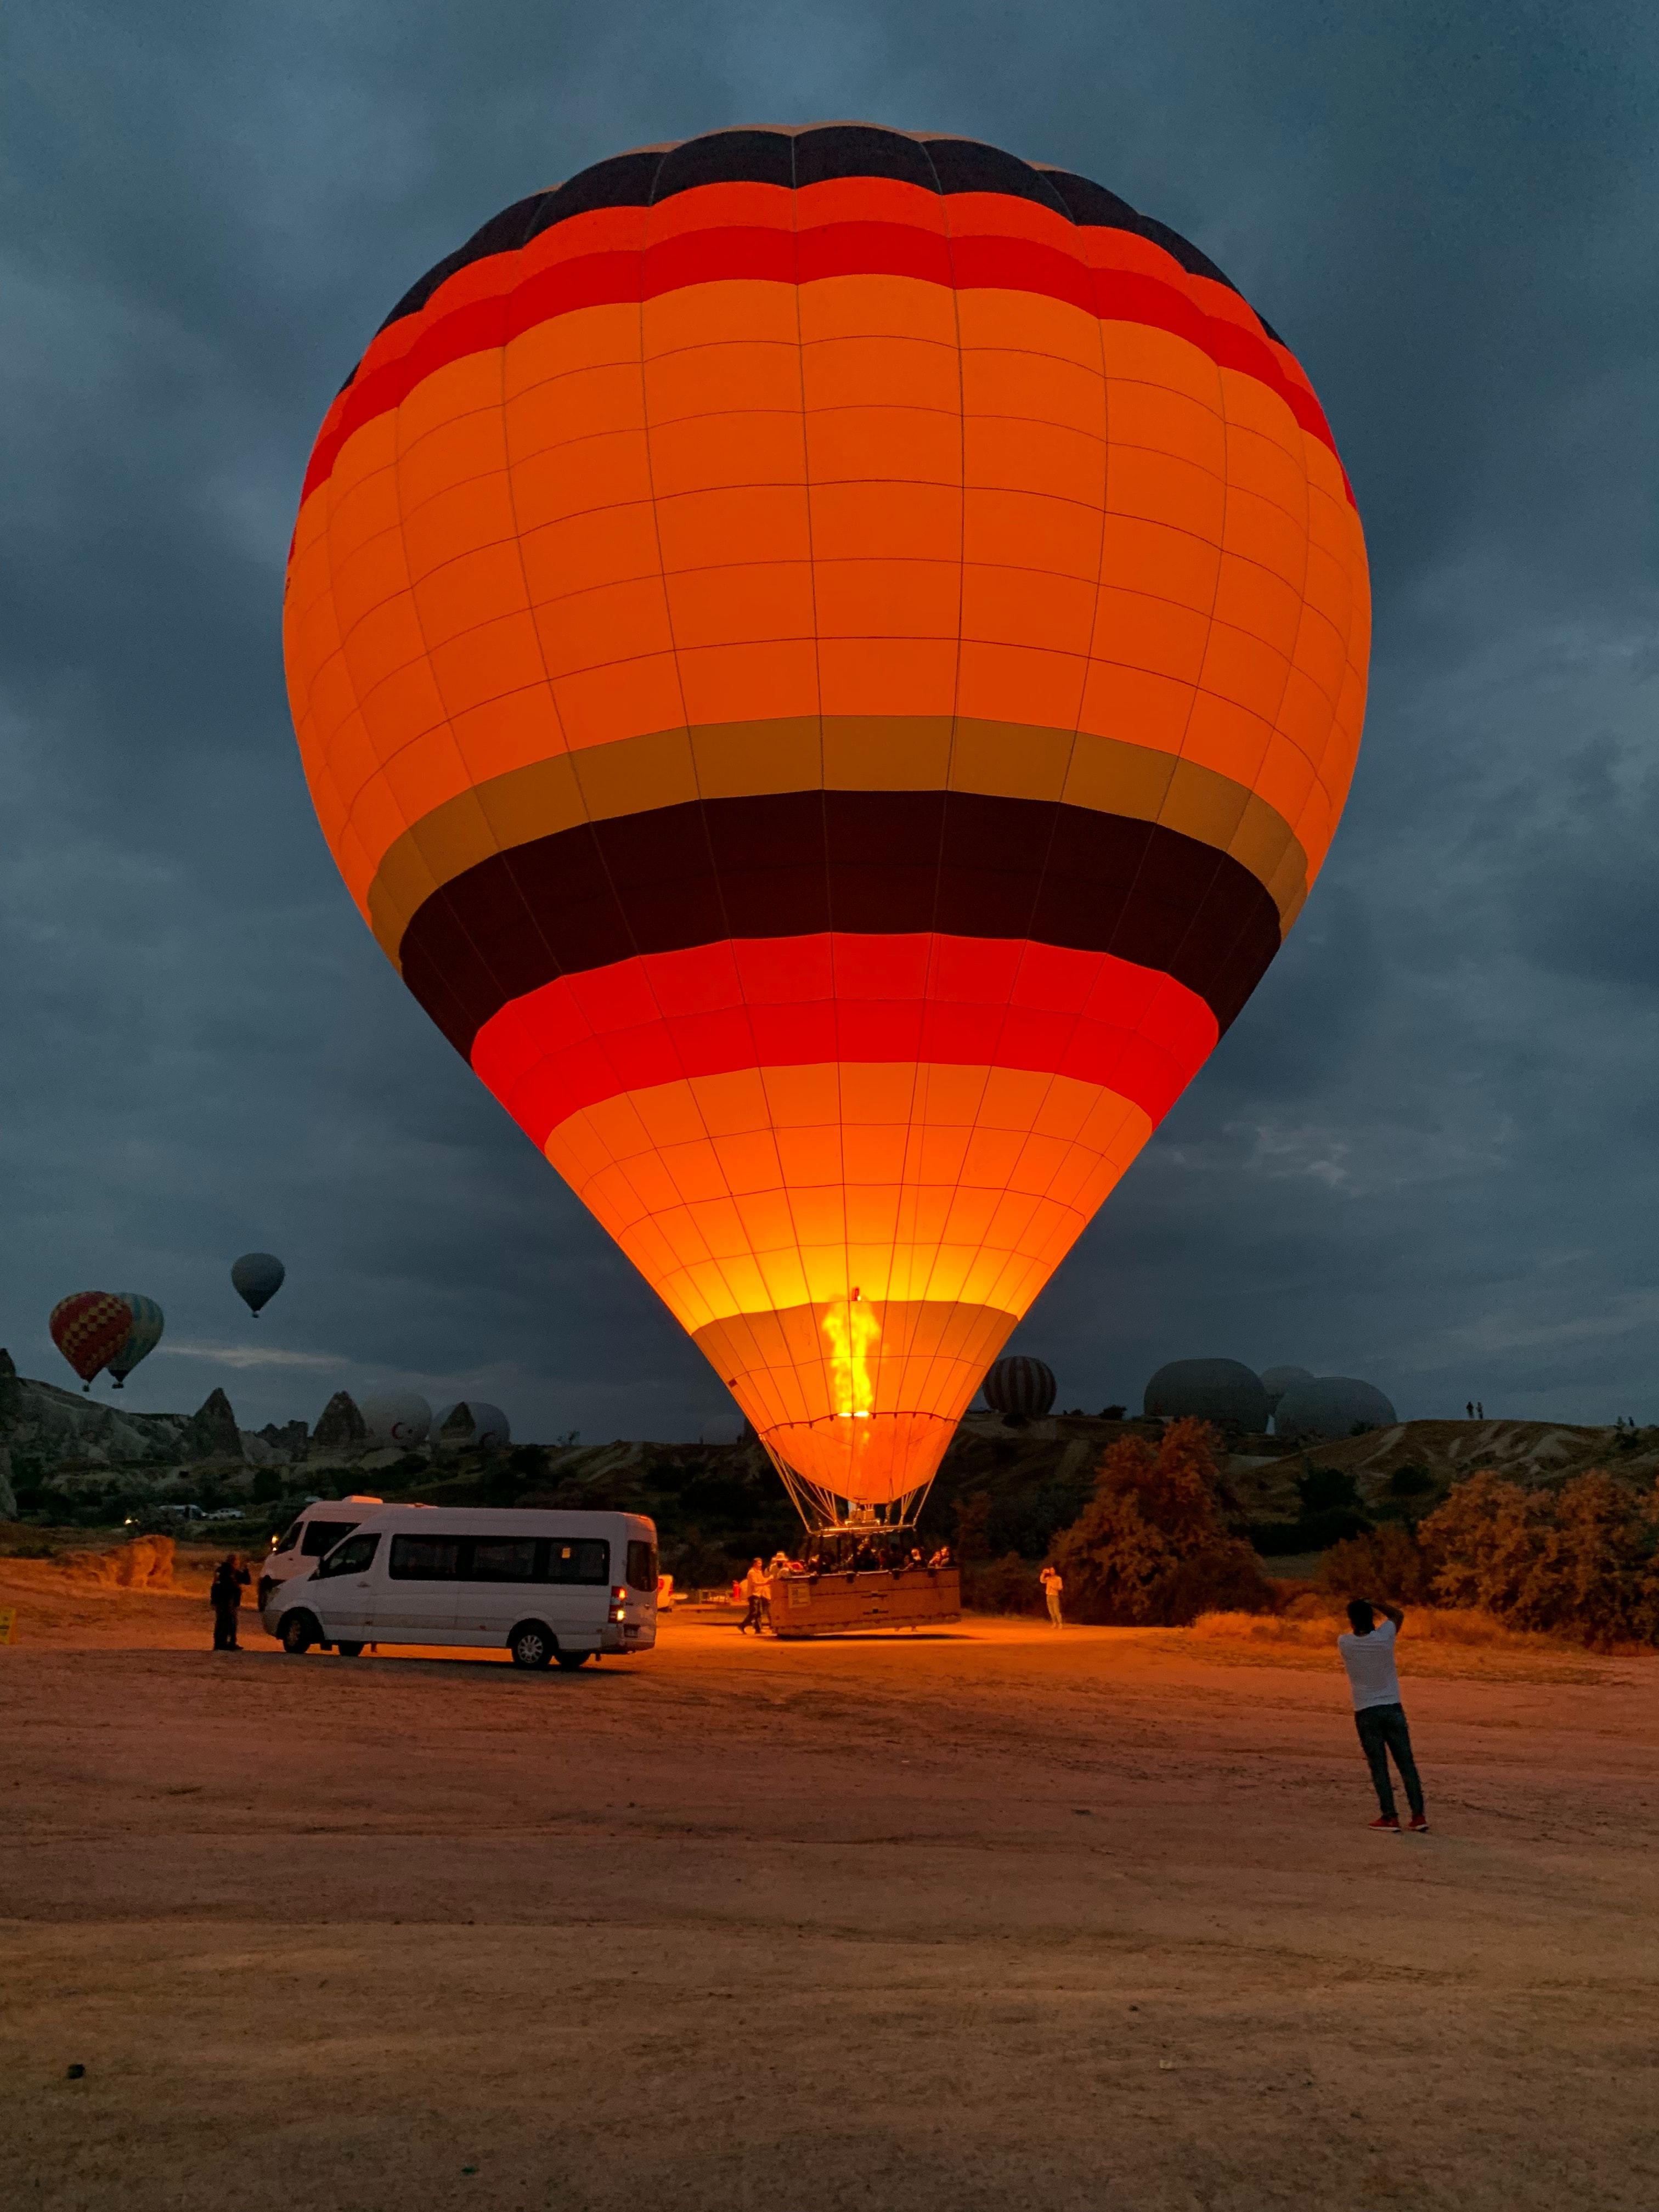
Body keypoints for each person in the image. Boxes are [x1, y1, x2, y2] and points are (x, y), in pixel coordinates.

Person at [1338, 1598, 1427, 1832]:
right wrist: (1375, 1601)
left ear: (1351, 1620)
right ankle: (1418, 1816)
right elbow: (1397, 1614)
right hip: (1392, 1707)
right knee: (1406, 1764)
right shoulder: (1384, 1638)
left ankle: (1389, 1816)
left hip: (1366, 1710)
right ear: (1371, 1617)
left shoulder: (1345, 1643)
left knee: (1379, 1766)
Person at [209, 1554, 250, 1651]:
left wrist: (213, 1601)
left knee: (222, 1622)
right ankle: (228, 1643)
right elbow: (244, 1582)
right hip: (228, 1601)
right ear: (234, 1562)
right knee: (229, 1622)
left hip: (222, 1601)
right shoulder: (231, 1571)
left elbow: (215, 1586)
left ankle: (220, 1643)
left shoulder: (221, 1571)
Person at [737, 1558, 770, 1636]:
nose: (761, 1565)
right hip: (753, 1595)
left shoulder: (759, 1572)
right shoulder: (751, 1573)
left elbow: (763, 1580)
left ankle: (758, 1629)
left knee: (759, 1612)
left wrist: (769, 1579)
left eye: (761, 1563)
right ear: (755, 1564)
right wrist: (766, 1583)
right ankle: (743, 1625)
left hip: (759, 1594)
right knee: (754, 1612)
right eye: (759, 1564)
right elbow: (755, 1583)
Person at [1039, 1562, 1064, 1628]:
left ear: (1055, 1571)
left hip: (1055, 1596)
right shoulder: (1048, 1578)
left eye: (1053, 1570)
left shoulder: (1058, 1579)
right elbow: (1042, 1581)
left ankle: (1060, 1623)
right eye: (1051, 1571)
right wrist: (1043, 1573)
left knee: (1056, 1611)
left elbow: (1061, 1588)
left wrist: (1054, 1587)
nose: (1052, 1572)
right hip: (1048, 1596)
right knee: (1051, 1611)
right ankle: (1054, 1623)